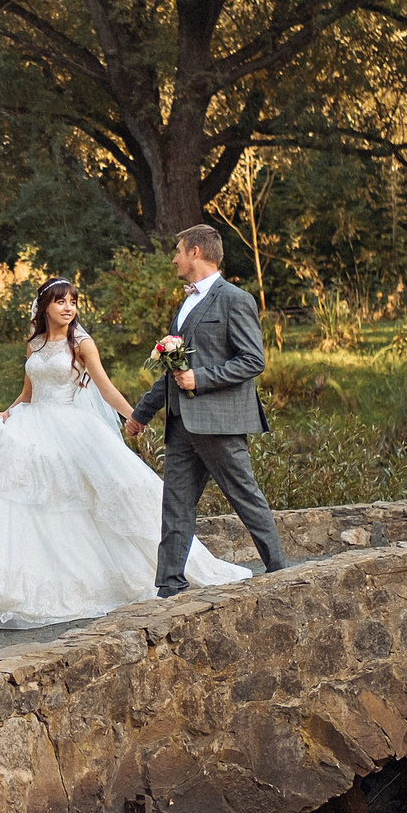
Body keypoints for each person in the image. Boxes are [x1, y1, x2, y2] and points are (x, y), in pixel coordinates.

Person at [0, 277, 252, 628]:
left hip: (69, 427)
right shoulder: (33, 343)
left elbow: (105, 387)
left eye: (73, 302)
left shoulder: (82, 343)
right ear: (45, 307)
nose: (68, 308)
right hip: (30, 422)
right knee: (16, 499)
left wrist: (135, 416)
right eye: (60, 301)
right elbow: (28, 392)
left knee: (81, 500)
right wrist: (8, 410)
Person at [125, 224, 292, 589]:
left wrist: (201, 379)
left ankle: (280, 569)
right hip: (181, 424)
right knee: (175, 507)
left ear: (196, 252)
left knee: (244, 496)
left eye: (179, 251)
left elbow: (252, 360)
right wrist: (141, 413)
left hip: (219, 422)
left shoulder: (235, 299)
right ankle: (169, 586)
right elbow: (173, 372)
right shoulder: (184, 305)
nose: (174, 259)